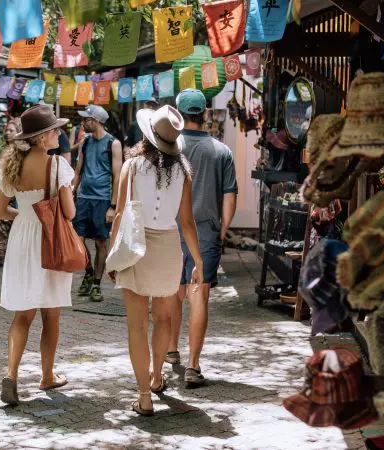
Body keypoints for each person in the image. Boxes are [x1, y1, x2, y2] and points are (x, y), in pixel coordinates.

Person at [109, 105, 203, 416]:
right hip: (168, 248)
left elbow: (121, 214)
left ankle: (144, 396)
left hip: (136, 244)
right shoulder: (184, 170)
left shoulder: (132, 166)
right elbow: (187, 222)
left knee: (137, 325)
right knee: (164, 319)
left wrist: (112, 255)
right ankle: (158, 376)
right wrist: (199, 262)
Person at [0, 105, 77, 406]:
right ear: (42, 138)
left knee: (22, 313)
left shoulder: (11, 166)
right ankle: (47, 375)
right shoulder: (58, 167)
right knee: (51, 314)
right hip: (49, 240)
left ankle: (11, 375)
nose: (59, 133)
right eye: (54, 130)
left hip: (21, 239)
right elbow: (69, 213)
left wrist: (25, 214)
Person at [167, 89, 238, 388]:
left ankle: (171, 350)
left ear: (181, 116)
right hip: (206, 229)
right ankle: (193, 366)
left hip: (170, 228)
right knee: (199, 295)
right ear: (205, 113)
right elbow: (230, 196)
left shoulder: (169, 147)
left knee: (173, 291)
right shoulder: (221, 151)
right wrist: (222, 229)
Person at [72, 105, 123, 302]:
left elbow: (117, 177)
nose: (83, 123)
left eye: (86, 119)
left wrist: (112, 206)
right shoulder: (85, 142)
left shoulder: (113, 143)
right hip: (84, 197)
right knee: (78, 239)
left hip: (102, 200)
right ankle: (88, 272)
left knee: (101, 242)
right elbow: (78, 171)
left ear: (97, 121)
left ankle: (96, 283)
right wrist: (72, 191)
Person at [0, 119, 21, 267]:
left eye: (11, 131)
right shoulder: (0, 151)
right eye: (6, 130)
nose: (8, 133)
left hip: (14, 197)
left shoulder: (20, 153)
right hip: (0, 194)